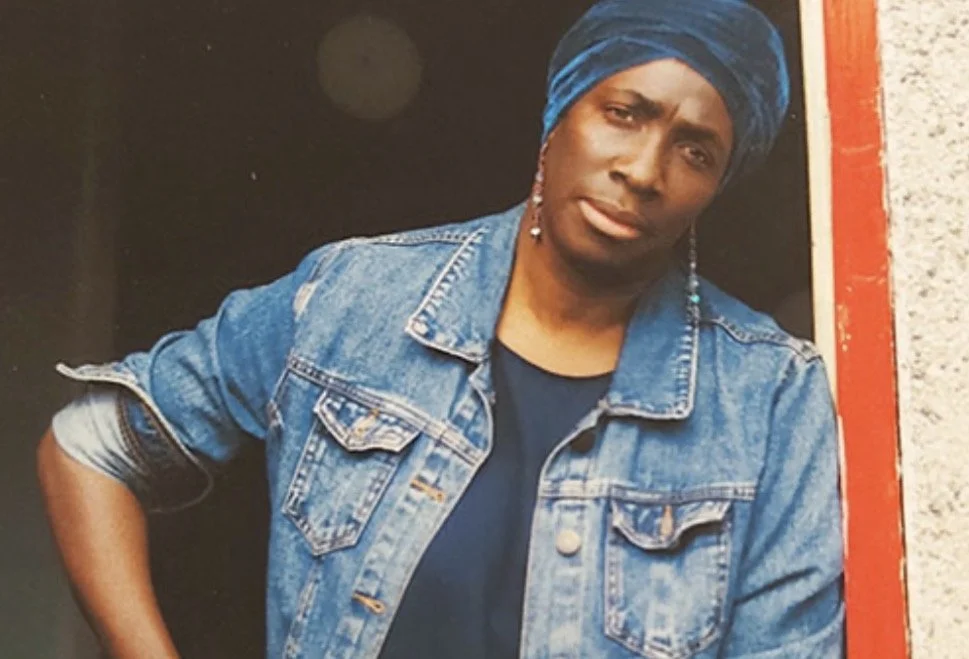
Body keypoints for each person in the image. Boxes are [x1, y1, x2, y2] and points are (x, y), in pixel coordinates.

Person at [37, 1, 845, 657]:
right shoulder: (359, 297)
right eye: (623, 113)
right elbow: (91, 446)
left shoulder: (768, 396)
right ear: (560, 113)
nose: (642, 170)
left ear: (714, 187)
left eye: (695, 151)